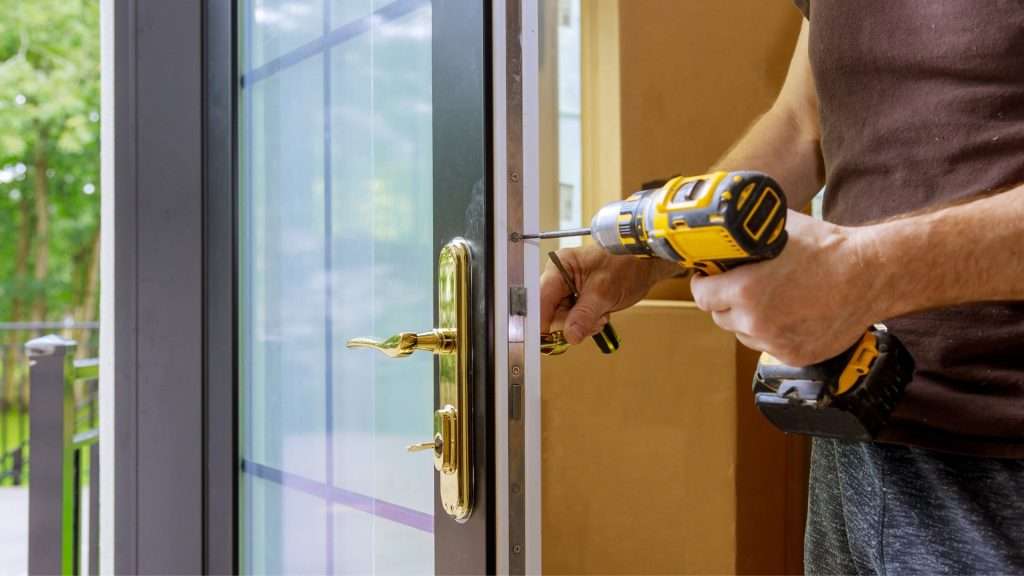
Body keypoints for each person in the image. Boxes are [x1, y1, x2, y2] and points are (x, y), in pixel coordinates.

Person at [540, 3, 1024, 573]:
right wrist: (650, 248)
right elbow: (801, 125)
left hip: (1002, 458)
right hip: (855, 416)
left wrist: (866, 270)